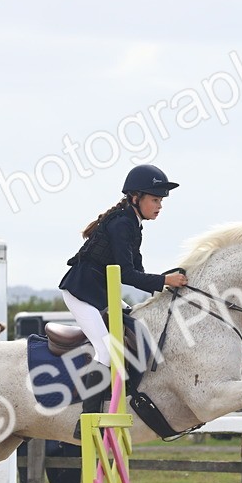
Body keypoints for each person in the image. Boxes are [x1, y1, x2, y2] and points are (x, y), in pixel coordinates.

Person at [58, 164, 188, 433]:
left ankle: (124, 395)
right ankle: (86, 421)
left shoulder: (133, 223)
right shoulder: (121, 224)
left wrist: (166, 281)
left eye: (161, 200)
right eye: (155, 199)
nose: (159, 205)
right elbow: (128, 275)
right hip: (81, 291)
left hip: (102, 291)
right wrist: (165, 281)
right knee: (106, 350)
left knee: (136, 326)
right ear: (135, 198)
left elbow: (136, 272)